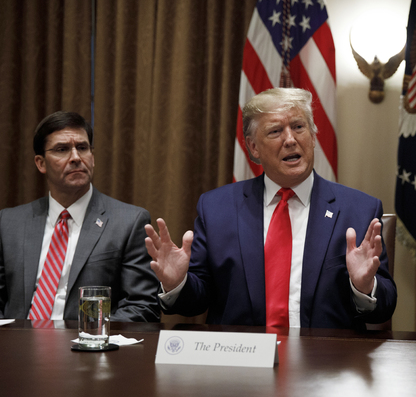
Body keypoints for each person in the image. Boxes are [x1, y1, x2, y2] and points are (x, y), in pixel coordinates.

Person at [145, 88, 397, 329]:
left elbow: (385, 306)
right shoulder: (217, 208)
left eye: (299, 127)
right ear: (253, 147)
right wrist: (177, 283)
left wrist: (365, 287)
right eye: (276, 131)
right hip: (242, 362)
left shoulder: (359, 209)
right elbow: (196, 301)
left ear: (313, 136)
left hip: (326, 363)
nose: (290, 140)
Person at [0, 111, 160, 322]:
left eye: (82, 148)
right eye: (62, 149)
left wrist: (90, 337)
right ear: (41, 163)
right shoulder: (9, 222)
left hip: (87, 349)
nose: (76, 157)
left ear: (92, 158)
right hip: (17, 348)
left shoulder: (129, 222)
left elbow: (142, 307)